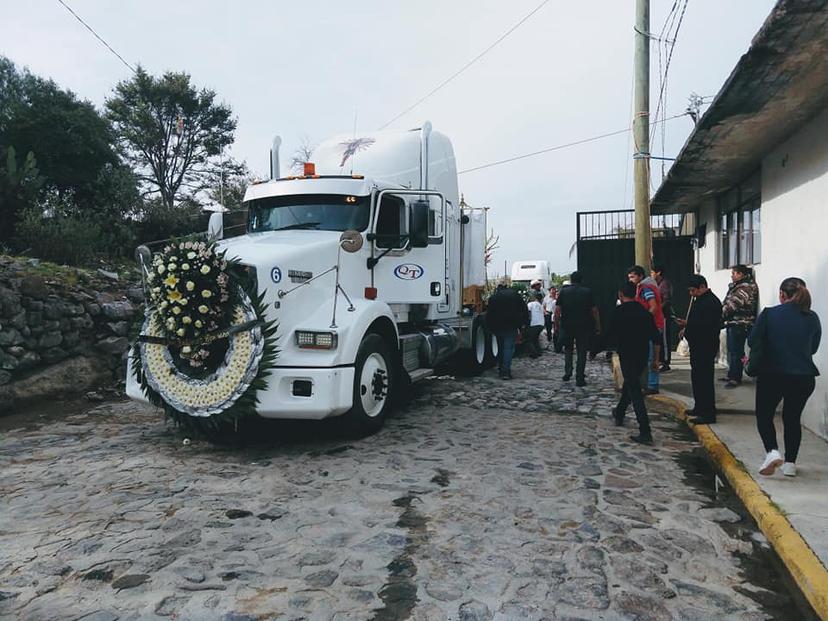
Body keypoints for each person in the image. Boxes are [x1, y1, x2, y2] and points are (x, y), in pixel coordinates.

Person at [750, 277, 821, 477]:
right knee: (792, 418)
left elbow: (753, 339)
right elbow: (813, 348)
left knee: (764, 415)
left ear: (782, 294)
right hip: (804, 377)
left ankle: (772, 452)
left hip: (773, 374)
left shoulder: (769, 314)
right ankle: (790, 464)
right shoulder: (812, 317)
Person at [609, 281, 662, 445]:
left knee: (634, 390)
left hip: (627, 355)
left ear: (620, 295)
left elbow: (608, 334)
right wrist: (656, 360)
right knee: (630, 385)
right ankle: (619, 412)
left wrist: (595, 349)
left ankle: (645, 431)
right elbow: (656, 338)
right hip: (641, 356)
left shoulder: (618, 312)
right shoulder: (645, 313)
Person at [675, 274, 723, 424]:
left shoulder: (711, 302)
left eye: (693, 290)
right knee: (697, 377)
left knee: (705, 379)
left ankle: (708, 413)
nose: (691, 294)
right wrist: (687, 325)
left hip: (705, 345)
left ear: (702, 287)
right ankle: (699, 406)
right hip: (698, 345)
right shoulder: (700, 300)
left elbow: (706, 326)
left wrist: (690, 327)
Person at [555, 271, 601, 386]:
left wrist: (556, 325)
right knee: (582, 351)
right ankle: (580, 377)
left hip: (567, 325)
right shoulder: (587, 292)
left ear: (571, 280)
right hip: (583, 325)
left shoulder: (564, 292)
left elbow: (557, 311)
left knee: (568, 349)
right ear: (581, 280)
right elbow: (594, 310)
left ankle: (568, 372)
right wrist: (598, 324)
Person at [627, 265, 665, 394]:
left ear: (640, 276)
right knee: (651, 357)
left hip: (652, 326)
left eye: (632, 276)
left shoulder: (645, 289)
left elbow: (653, 306)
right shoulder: (648, 287)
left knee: (651, 357)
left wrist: (644, 321)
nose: (630, 280)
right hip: (654, 324)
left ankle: (653, 385)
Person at [721, 264, 759, 388]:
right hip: (734, 323)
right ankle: (732, 374)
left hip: (741, 323)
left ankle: (736, 378)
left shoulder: (746, 287)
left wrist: (718, 315)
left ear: (741, 274)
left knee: (737, 352)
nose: (732, 276)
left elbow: (733, 304)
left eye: (734, 273)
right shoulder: (738, 286)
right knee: (733, 351)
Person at [485, 281, 529, 380]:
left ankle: (501, 368)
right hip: (512, 325)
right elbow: (524, 309)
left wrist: (489, 327)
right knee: (508, 348)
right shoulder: (515, 295)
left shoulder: (494, 297)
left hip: (498, 326)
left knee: (500, 347)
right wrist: (524, 324)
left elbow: (489, 314)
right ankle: (506, 371)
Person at [651, 265, 673, 372]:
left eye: (652, 272)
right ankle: (660, 360)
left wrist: (658, 309)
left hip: (663, 315)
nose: (651, 275)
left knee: (664, 340)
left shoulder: (664, 284)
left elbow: (666, 300)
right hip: (659, 315)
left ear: (658, 273)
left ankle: (665, 362)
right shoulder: (656, 284)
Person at [525, 291, 544, 358]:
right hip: (541, 324)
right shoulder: (540, 305)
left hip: (534, 324)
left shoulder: (530, 304)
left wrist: (527, 323)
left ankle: (533, 353)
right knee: (535, 339)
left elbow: (528, 314)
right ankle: (539, 351)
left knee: (528, 340)